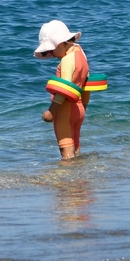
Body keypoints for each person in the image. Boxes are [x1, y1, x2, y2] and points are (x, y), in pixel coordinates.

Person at [35, 20, 90, 160]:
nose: (51, 53)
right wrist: (83, 106)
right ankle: (78, 177)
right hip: (78, 109)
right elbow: (86, 84)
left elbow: (64, 87)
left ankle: (67, 179)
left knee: (66, 152)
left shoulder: (67, 60)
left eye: (51, 49)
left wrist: (51, 111)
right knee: (76, 148)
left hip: (65, 110)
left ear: (60, 43)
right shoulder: (81, 54)